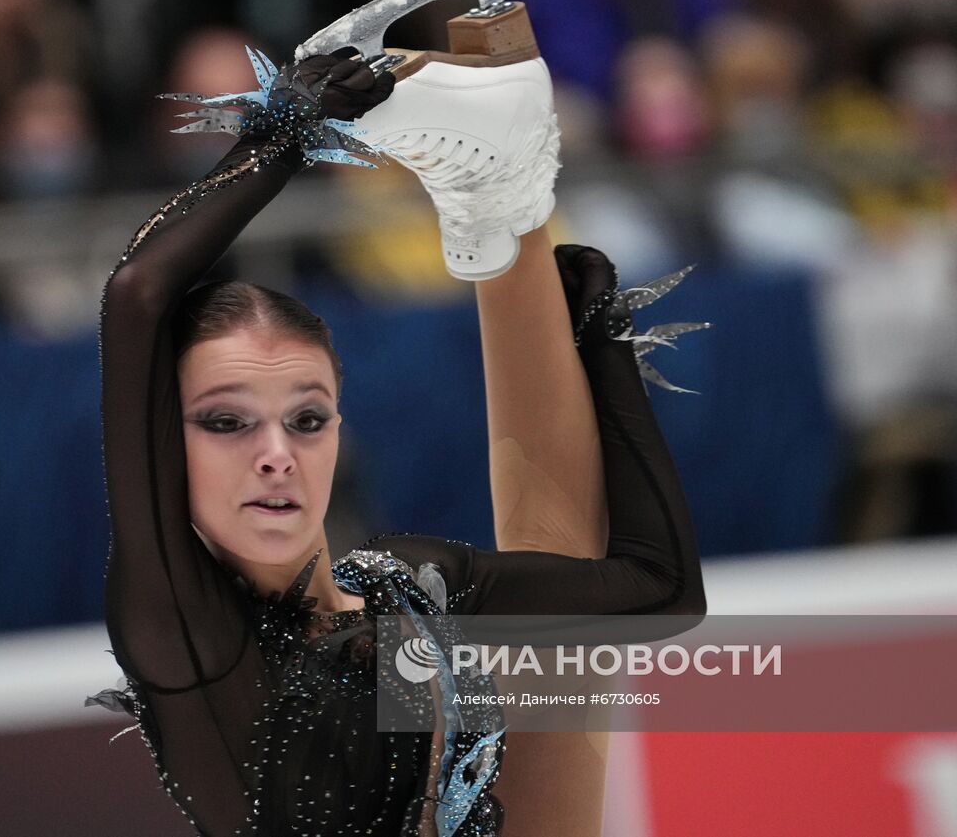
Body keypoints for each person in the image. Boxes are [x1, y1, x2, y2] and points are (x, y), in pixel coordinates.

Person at [91, 48, 705, 836]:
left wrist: (605, 345)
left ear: (338, 433)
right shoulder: (189, 634)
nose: (275, 451)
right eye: (226, 421)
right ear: (168, 448)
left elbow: (659, 592)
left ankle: (495, 171)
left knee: (561, 657)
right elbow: (137, 294)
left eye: (306, 418)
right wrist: (284, 130)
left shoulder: (412, 585)